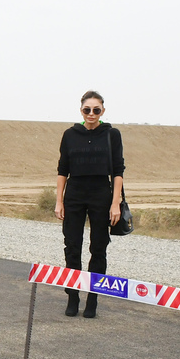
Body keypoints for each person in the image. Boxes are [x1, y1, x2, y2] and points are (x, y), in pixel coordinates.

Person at [54, 90, 124, 318]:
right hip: (75, 193)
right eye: (87, 109)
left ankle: (92, 299)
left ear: (102, 111)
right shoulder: (70, 134)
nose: (91, 113)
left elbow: (118, 171)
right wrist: (59, 201)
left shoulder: (111, 134)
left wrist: (115, 203)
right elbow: (63, 169)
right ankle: (72, 296)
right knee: (72, 246)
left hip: (101, 193)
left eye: (96, 110)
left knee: (99, 248)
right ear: (81, 111)